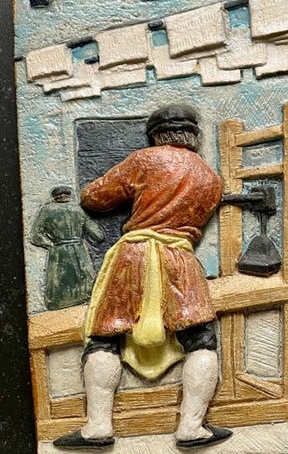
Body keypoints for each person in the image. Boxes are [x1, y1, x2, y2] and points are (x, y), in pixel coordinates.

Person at [54, 105, 232, 450]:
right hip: (181, 259)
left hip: (134, 258)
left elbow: (93, 197)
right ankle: (192, 427)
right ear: (193, 136)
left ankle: (97, 428)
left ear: (155, 135)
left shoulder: (145, 160)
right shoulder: (211, 177)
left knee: (105, 338)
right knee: (200, 339)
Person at [30, 186, 104, 310]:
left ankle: (61, 306)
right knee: (84, 279)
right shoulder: (78, 210)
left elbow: (36, 236)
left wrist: (51, 245)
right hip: (79, 251)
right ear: (68, 196)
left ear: (55, 197)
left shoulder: (46, 210)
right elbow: (98, 235)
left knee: (59, 281)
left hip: (59, 252)